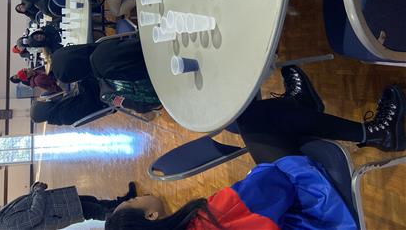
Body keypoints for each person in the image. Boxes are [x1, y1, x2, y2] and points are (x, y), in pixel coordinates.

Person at [105, 68, 406, 229]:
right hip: (317, 214)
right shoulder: (211, 218)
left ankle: (299, 108)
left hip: (289, 216)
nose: (139, 196)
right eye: (134, 202)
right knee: (252, 119)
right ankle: (377, 133)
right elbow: (276, 185)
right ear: (150, 217)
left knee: (261, 125)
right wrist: (248, 181)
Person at [50, 36, 161, 114]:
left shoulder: (107, 90)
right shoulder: (103, 46)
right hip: (158, 50)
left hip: (161, 84)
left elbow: (140, 105)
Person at [0, 182, 138, 230]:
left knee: (95, 202)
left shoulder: (3, 214)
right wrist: (38, 191)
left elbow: (28, 202)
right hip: (61, 211)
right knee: (99, 211)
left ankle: (126, 200)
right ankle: (133, 216)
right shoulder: (7, 225)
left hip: (61, 202)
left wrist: (34, 189)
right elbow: (34, 215)